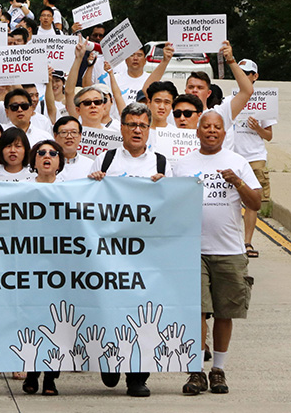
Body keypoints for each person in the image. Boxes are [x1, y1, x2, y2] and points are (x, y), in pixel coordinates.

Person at [174, 109, 261, 395]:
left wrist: (237, 181)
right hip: (192, 251)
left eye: (217, 127)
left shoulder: (238, 162)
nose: (211, 131)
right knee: (197, 311)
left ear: (225, 133)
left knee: (225, 312)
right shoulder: (182, 164)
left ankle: (218, 370)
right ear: (197, 132)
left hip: (229, 251)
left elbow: (256, 203)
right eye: (206, 127)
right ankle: (196, 371)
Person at [88, 102, 172, 398]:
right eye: (131, 124)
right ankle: (110, 362)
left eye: (142, 125)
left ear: (149, 130)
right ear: (121, 127)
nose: (137, 130)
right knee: (110, 309)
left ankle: (138, 376)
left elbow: (171, 210)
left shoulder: (162, 164)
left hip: (146, 255)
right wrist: (93, 183)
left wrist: (166, 188)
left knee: (143, 315)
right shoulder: (105, 160)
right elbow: (87, 204)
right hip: (109, 253)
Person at [22, 139, 65, 395]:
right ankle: (32, 372)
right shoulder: (21, 189)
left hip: (61, 269)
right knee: (32, 320)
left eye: (53, 153)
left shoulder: (73, 189)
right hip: (30, 267)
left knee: (56, 322)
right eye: (41, 153)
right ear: (34, 160)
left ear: (60, 161)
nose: (47, 156)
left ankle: (50, 378)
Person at [233, 59, 273, 258]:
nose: (243, 76)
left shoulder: (263, 100)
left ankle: (247, 242)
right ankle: (231, 240)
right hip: (233, 155)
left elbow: (269, 135)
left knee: (252, 201)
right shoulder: (230, 99)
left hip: (255, 156)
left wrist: (257, 127)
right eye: (240, 72)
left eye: (247, 73)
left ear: (254, 76)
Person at [53, 116, 93, 181]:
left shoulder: (90, 165)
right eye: (64, 132)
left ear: (80, 136)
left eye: (74, 132)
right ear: (55, 136)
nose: (69, 137)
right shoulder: (47, 163)